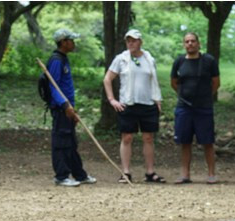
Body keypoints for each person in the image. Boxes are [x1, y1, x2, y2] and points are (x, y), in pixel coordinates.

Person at [103, 29, 165, 184]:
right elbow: (107, 79)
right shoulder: (121, 59)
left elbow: (153, 80)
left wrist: (157, 99)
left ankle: (150, 173)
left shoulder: (149, 58)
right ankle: (126, 172)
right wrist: (112, 100)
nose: (131, 43)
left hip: (148, 103)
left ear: (140, 42)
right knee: (127, 137)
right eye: (128, 40)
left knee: (148, 137)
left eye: (134, 40)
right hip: (128, 104)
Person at [47, 28, 95, 187]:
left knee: (71, 143)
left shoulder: (63, 59)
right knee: (61, 142)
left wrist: (71, 108)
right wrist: (65, 105)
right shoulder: (56, 60)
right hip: (61, 109)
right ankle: (61, 176)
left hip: (68, 108)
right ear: (63, 42)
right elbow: (53, 86)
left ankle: (79, 174)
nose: (73, 43)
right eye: (71, 41)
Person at [170, 32, 220, 184]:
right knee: (185, 141)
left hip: (204, 107)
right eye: (187, 42)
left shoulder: (209, 61)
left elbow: (216, 83)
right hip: (184, 107)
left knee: (207, 141)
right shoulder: (179, 61)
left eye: (193, 41)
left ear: (198, 43)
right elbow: (174, 82)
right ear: (184, 44)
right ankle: (185, 174)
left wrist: (205, 96)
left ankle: (211, 174)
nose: (190, 44)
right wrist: (183, 95)